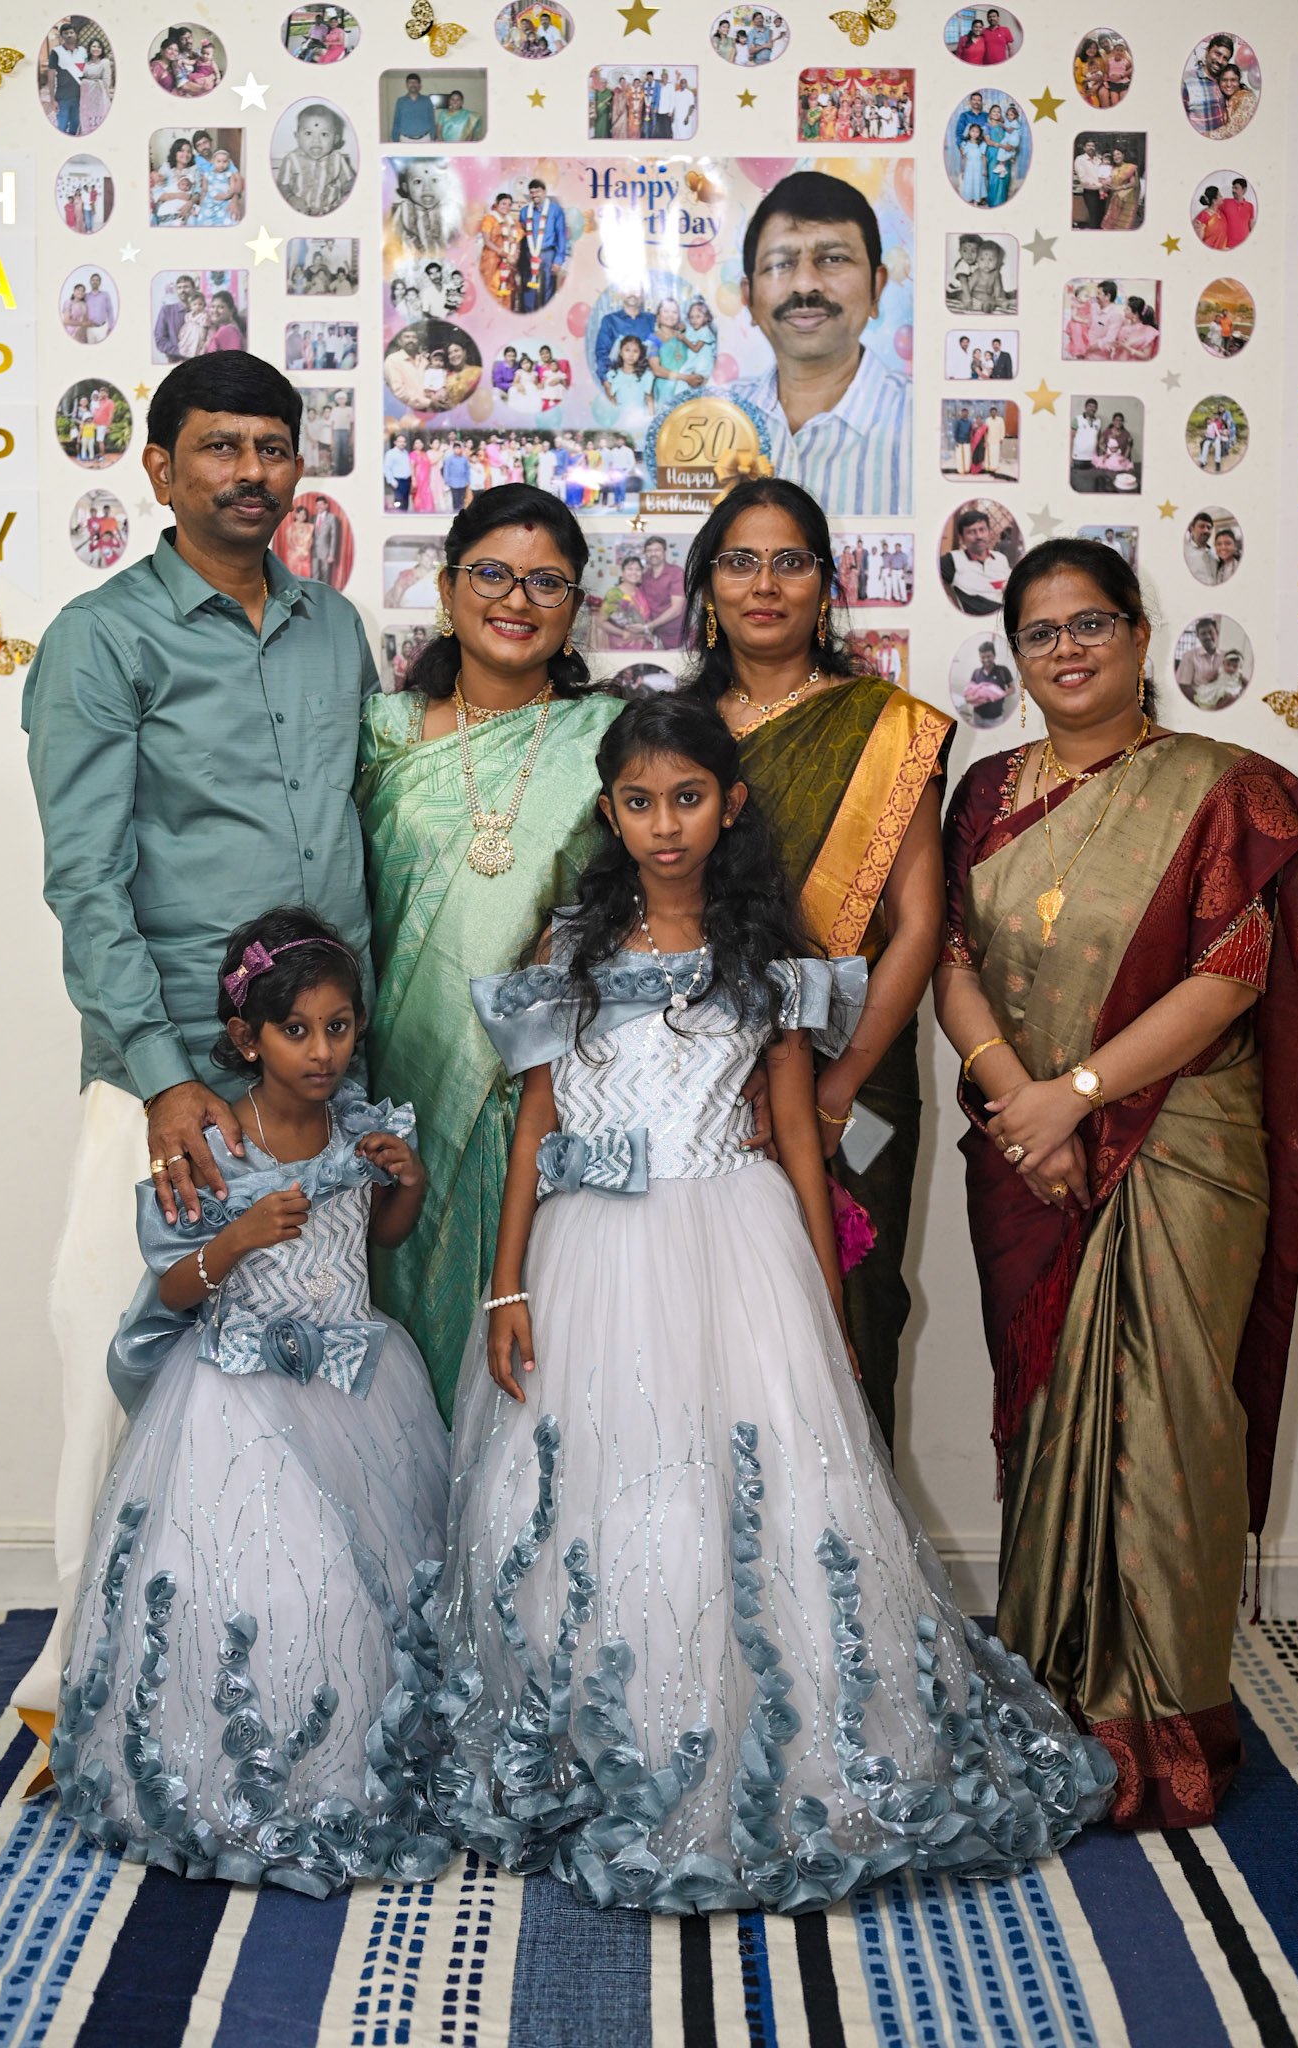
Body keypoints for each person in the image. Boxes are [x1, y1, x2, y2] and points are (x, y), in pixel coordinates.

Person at [428, 688, 1113, 1907]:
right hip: (591, 1254)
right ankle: (610, 1739)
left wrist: (823, 1300)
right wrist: (507, 1284)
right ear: (610, 811)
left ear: (730, 804)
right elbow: (534, 1123)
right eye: (640, 801)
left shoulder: (766, 959)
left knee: (753, 1485)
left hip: (736, 1241)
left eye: (688, 798)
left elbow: (799, 1137)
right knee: (603, 1484)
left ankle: (765, 1737)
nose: (665, 824)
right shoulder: (569, 947)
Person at [934, 535, 1298, 1824]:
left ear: (1142, 634)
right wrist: (1020, 1096)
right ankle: (1054, 1689)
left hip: (1182, 1146)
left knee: (1172, 1421)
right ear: (1015, 653)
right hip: (1029, 1152)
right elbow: (949, 960)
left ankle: (1164, 1717)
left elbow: (1232, 971)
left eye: (1091, 622)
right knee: (1051, 1411)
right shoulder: (985, 794)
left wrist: (1080, 1093)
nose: (1067, 648)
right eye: (1040, 631)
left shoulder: (1220, 788)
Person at [14, 354, 379, 1732]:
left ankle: (261, 1671)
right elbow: (86, 878)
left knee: (295, 1371)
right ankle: (77, 1678)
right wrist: (166, 1079)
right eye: (220, 447)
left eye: (272, 447)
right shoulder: (103, 639)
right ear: (160, 468)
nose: (251, 472)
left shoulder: (334, 629)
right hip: (170, 1078)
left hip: (317, 1074)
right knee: (127, 1355)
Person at [49, 904, 452, 1888]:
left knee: (363, 1577)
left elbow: (380, 1238)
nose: (322, 1051)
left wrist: (405, 1184)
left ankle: (353, 1760)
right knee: (262, 1578)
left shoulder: (364, 1126)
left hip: (355, 1384)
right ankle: (245, 1768)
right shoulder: (216, 1147)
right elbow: (173, 1286)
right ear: (245, 1036)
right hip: (234, 1395)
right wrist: (234, 1239)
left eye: (339, 1026)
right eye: (296, 1029)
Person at [682, 478, 949, 1440]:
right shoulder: (675, 733)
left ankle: (850, 1537)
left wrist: (833, 1091)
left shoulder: (888, 729)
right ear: (707, 588)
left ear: (827, 585)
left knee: (849, 1312)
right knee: (701, 1328)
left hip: (855, 1078)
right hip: (697, 1081)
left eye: (790, 561)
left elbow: (917, 925)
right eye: (739, 562)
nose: (764, 585)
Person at [356, 486, 623, 1421]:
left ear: (575, 605)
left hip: (546, 1095)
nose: (517, 599)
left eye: (547, 582)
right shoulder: (384, 734)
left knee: (537, 1355)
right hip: (392, 1083)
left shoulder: (607, 738)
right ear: (446, 589)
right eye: (492, 575)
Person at [730, 171, 908, 516]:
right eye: (780, 263)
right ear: (748, 297)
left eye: (833, 258)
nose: (804, 284)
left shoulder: (926, 421)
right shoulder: (708, 420)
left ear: (876, 287)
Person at [276, 101, 356, 216]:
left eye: (324, 134)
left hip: (331, 213)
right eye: (308, 133)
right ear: (297, 137)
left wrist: (346, 200)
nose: (316, 140)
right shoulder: (291, 160)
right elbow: (282, 185)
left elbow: (350, 183)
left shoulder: (338, 159)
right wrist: (290, 198)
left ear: (335, 139)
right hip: (300, 213)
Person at [940, 504, 1011, 613]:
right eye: (971, 532)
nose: (979, 536)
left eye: (982, 530)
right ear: (961, 538)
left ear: (988, 532)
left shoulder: (1001, 558)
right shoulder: (953, 559)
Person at [518, 179, 568, 313]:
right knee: (528, 287)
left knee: (548, 288)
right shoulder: (525, 211)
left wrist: (558, 260)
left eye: (538, 191)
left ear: (544, 192)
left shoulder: (555, 210)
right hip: (529, 254)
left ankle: (546, 317)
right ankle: (529, 315)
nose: (534, 195)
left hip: (548, 253)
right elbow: (521, 232)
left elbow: (561, 235)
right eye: (532, 192)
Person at [1183, 31, 1236, 134]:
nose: (1220, 61)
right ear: (1207, 51)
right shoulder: (1187, 80)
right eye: (1217, 54)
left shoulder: (1224, 83)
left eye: (1225, 58)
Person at [639, 533, 686, 647]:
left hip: (675, 635)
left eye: (657, 550)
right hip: (653, 635)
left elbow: (676, 609)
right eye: (649, 550)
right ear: (645, 554)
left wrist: (649, 626)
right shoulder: (645, 576)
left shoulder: (676, 573)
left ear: (665, 552)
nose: (653, 554)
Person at [962, 639, 1012, 724]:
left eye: (988, 656)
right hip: (977, 716)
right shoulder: (976, 672)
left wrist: (999, 694)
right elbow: (971, 689)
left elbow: (1012, 688)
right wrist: (971, 698)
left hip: (995, 718)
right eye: (983, 657)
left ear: (994, 656)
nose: (985, 660)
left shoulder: (1003, 670)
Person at [47, 22, 86, 135]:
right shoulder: (56, 52)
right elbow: (51, 75)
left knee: (75, 126)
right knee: (62, 127)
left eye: (71, 32)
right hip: (63, 97)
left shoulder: (83, 51)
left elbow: (85, 71)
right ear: (61, 36)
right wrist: (52, 99)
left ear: (75, 34)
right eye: (66, 33)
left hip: (79, 96)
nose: (69, 35)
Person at [1213, 62, 1258, 138]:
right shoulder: (1221, 98)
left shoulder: (1248, 99)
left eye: (1233, 80)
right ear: (1219, 81)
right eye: (1224, 80)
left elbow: (1234, 129)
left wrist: (1207, 134)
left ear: (1239, 81)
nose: (1229, 84)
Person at [78, 35, 112, 132]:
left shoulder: (104, 62)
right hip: (86, 94)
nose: (96, 49)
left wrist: (106, 94)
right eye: (94, 46)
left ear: (102, 49)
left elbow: (106, 80)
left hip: (99, 95)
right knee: (86, 114)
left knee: (99, 116)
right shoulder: (85, 61)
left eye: (99, 47)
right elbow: (79, 75)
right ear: (89, 48)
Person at [1101, 148, 1140, 231]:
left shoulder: (1130, 167)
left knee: (1123, 226)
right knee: (1110, 225)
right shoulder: (1112, 169)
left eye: (1118, 154)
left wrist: (1118, 188)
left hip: (1126, 200)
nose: (1116, 157)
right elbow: (1107, 181)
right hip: (1113, 200)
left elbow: (1134, 183)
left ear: (1123, 155)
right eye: (1114, 155)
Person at [1073, 139, 1107, 232]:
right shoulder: (1080, 160)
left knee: (1102, 217)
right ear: (1084, 148)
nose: (1091, 147)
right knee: (1094, 217)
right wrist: (1100, 185)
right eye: (1088, 145)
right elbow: (1083, 180)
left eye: (1093, 146)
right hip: (1090, 192)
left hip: (1102, 192)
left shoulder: (1098, 160)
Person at [392, 71, 437, 141]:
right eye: (410, 82)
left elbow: (431, 120)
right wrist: (395, 139)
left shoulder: (427, 100)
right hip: (405, 140)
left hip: (425, 139)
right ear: (406, 85)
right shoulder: (400, 101)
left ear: (419, 85)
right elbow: (396, 121)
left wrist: (433, 137)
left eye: (415, 82)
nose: (413, 84)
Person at [1219, 176, 1254, 248]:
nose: (1233, 190)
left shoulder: (1250, 206)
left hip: (1244, 245)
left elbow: (1251, 225)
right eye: (1233, 188)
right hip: (1226, 245)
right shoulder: (1225, 202)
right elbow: (1212, 212)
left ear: (1244, 190)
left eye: (1236, 188)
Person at [959, 123, 989, 205]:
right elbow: (964, 158)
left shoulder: (982, 144)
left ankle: (977, 199)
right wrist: (963, 171)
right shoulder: (965, 144)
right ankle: (969, 199)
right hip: (969, 168)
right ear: (969, 132)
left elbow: (984, 157)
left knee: (978, 182)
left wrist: (985, 170)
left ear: (980, 133)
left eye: (977, 132)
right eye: (973, 131)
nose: (974, 133)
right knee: (969, 183)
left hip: (979, 168)